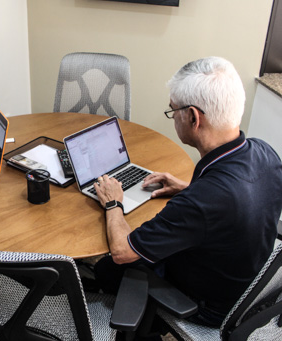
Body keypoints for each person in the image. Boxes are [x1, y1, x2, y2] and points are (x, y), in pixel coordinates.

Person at [93, 56, 282, 327]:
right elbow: (244, 198)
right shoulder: (264, 152)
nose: (173, 116)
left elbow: (123, 251)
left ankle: (143, 328)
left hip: (211, 307)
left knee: (108, 267)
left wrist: (113, 203)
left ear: (193, 117)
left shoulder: (204, 200)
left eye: (173, 110)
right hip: (246, 284)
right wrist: (186, 187)